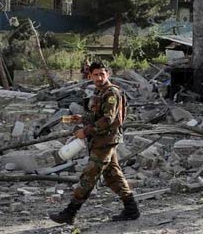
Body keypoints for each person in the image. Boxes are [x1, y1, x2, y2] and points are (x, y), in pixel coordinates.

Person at [49, 62, 139, 224]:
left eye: (102, 74)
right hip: (101, 141)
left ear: (108, 74)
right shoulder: (99, 92)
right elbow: (97, 115)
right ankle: (131, 209)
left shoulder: (111, 93)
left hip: (106, 141)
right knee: (113, 176)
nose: (99, 77)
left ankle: (70, 213)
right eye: (96, 74)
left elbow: (108, 119)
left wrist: (86, 131)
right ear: (90, 76)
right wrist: (81, 119)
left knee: (89, 177)